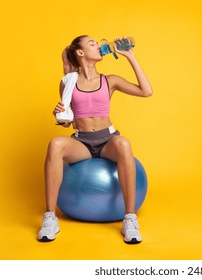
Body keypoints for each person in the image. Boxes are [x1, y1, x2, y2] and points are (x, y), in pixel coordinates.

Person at [37, 35, 153, 244]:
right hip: (81, 142)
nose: (98, 45)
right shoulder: (69, 82)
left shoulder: (109, 80)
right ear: (81, 53)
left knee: (124, 143)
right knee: (55, 143)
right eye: (92, 43)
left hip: (107, 139)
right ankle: (50, 217)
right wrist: (60, 115)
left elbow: (146, 92)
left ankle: (129, 218)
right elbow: (67, 122)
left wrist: (130, 57)